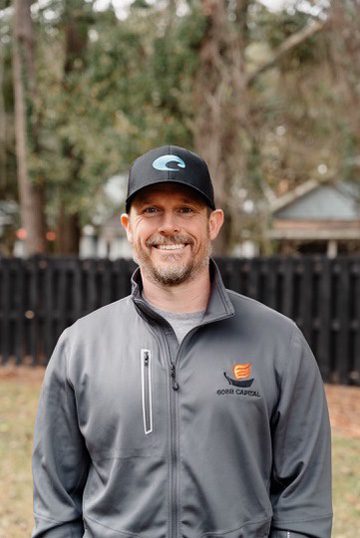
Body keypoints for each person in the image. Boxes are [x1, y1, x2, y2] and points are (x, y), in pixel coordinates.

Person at [32, 145, 332, 538]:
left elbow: (303, 503)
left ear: (213, 223)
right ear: (127, 225)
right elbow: (56, 503)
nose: (168, 226)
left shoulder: (279, 342)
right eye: (151, 210)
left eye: (186, 209)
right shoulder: (81, 346)